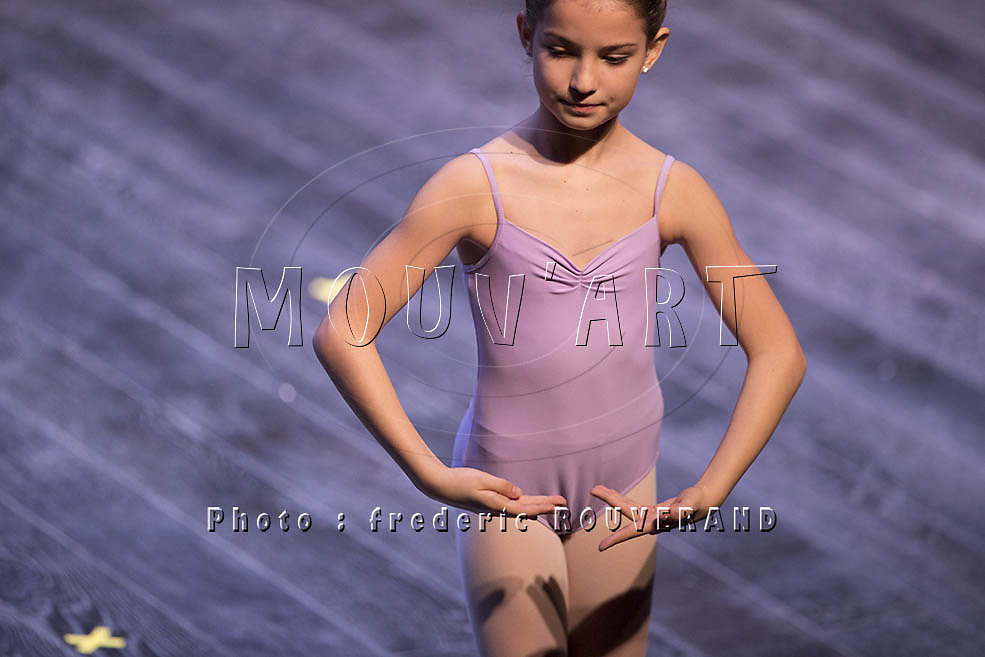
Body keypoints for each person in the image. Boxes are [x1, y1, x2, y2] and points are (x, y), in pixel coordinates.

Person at [313, 1, 807, 655]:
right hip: (508, 488)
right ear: (526, 34)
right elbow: (343, 328)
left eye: (613, 57)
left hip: (624, 485)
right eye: (560, 50)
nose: (582, 81)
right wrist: (427, 472)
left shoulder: (672, 191)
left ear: (653, 49)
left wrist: (713, 488)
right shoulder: (473, 186)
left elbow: (778, 351)